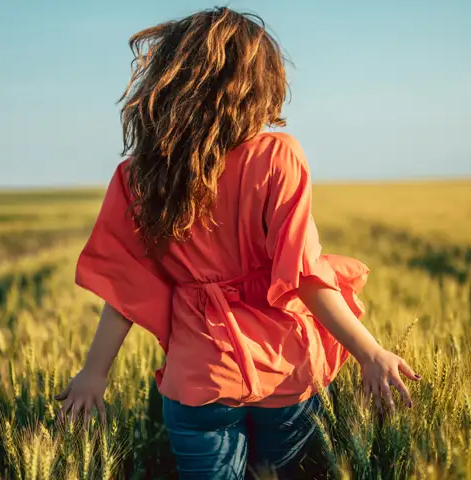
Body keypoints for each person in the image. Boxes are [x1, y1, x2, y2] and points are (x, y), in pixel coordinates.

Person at [54, 7, 420, 479]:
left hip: (199, 376)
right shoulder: (277, 157)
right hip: (284, 370)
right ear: (257, 87)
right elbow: (305, 275)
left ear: (172, 81)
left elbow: (125, 290)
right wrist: (370, 352)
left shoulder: (139, 176)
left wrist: (94, 374)